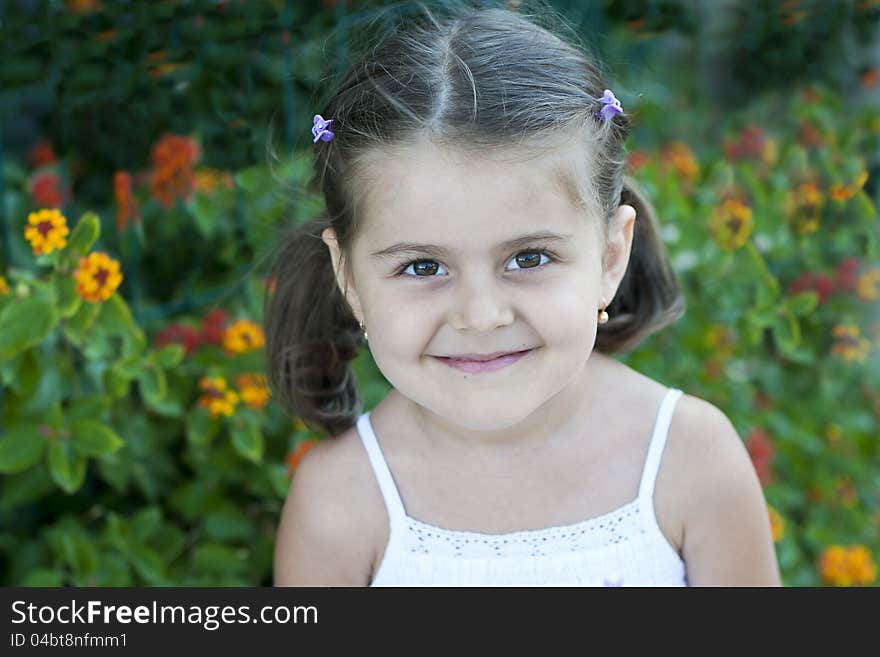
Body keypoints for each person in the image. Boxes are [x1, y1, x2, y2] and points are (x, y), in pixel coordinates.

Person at [267, 0, 782, 586]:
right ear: (350, 279)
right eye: (421, 267)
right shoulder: (341, 501)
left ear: (611, 256)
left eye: (529, 258)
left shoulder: (691, 460)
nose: (481, 316)